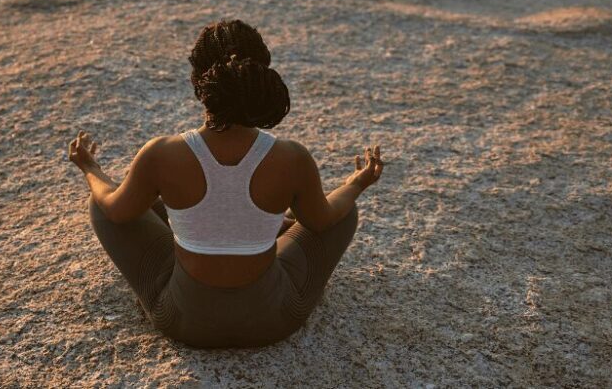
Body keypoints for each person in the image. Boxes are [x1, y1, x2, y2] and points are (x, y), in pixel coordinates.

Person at [69, 19, 383, 348]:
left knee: (108, 201)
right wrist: (356, 184)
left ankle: (259, 228)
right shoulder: (291, 157)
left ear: (198, 81)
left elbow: (116, 211)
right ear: (259, 77)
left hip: (184, 323)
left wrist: (90, 168)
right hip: (273, 320)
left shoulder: (163, 154)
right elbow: (321, 220)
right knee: (341, 209)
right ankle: (271, 226)